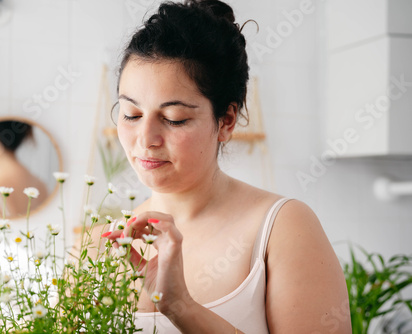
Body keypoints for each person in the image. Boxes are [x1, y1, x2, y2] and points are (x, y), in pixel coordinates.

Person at [88, 0, 351, 333]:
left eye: (174, 118)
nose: (146, 139)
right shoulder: (99, 246)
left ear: (226, 120)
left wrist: (180, 306)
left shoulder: (282, 229)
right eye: (132, 115)